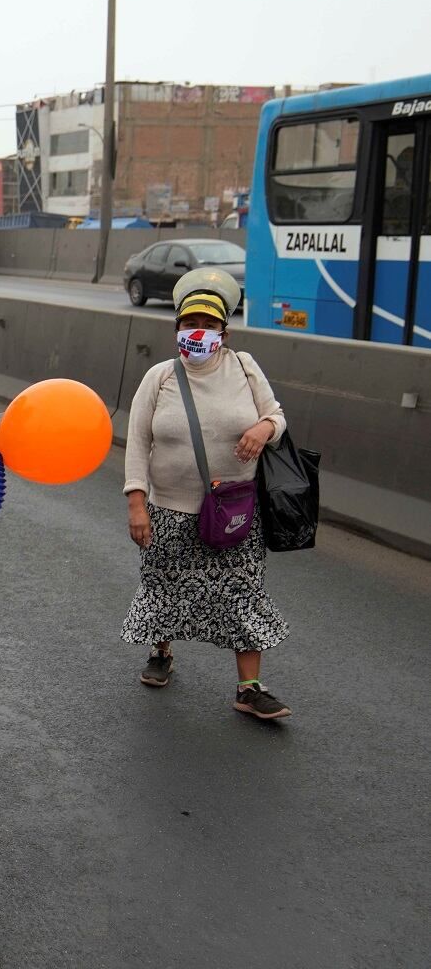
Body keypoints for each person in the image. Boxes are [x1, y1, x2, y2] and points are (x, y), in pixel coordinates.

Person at [122, 268, 293, 720]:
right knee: (164, 587)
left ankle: (249, 689)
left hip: (235, 511)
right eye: (190, 323)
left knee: (243, 593)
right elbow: (137, 441)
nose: (199, 331)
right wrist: (137, 503)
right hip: (169, 509)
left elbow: (277, 416)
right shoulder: (159, 377)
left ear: (224, 332)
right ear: (177, 329)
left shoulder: (244, 367)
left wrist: (263, 428)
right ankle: (161, 652)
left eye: (210, 324)